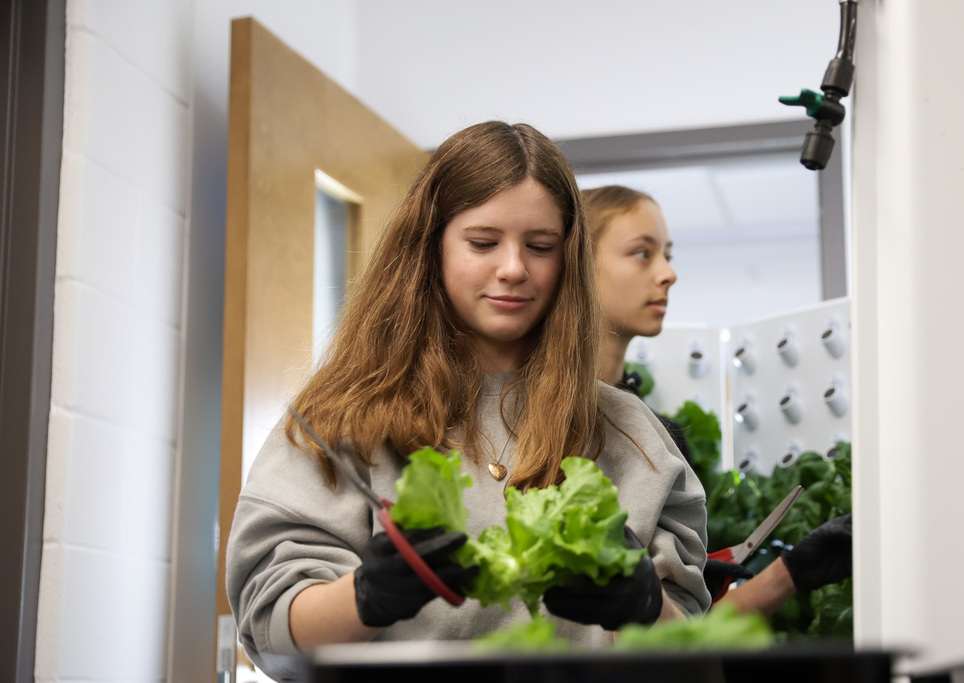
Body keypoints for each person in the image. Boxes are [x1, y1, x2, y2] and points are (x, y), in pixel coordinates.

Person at [226, 123, 711, 681]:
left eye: (541, 247)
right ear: (429, 247)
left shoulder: (633, 436)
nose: (513, 268)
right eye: (482, 243)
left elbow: (692, 650)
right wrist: (367, 597)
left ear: (568, 258)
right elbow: (270, 625)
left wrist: (647, 610)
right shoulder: (339, 422)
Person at [583, 184, 852, 618]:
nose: (668, 272)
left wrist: (791, 572)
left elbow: (687, 631)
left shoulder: (660, 437)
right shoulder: (542, 421)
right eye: (642, 252)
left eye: (668, 254)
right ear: (579, 264)